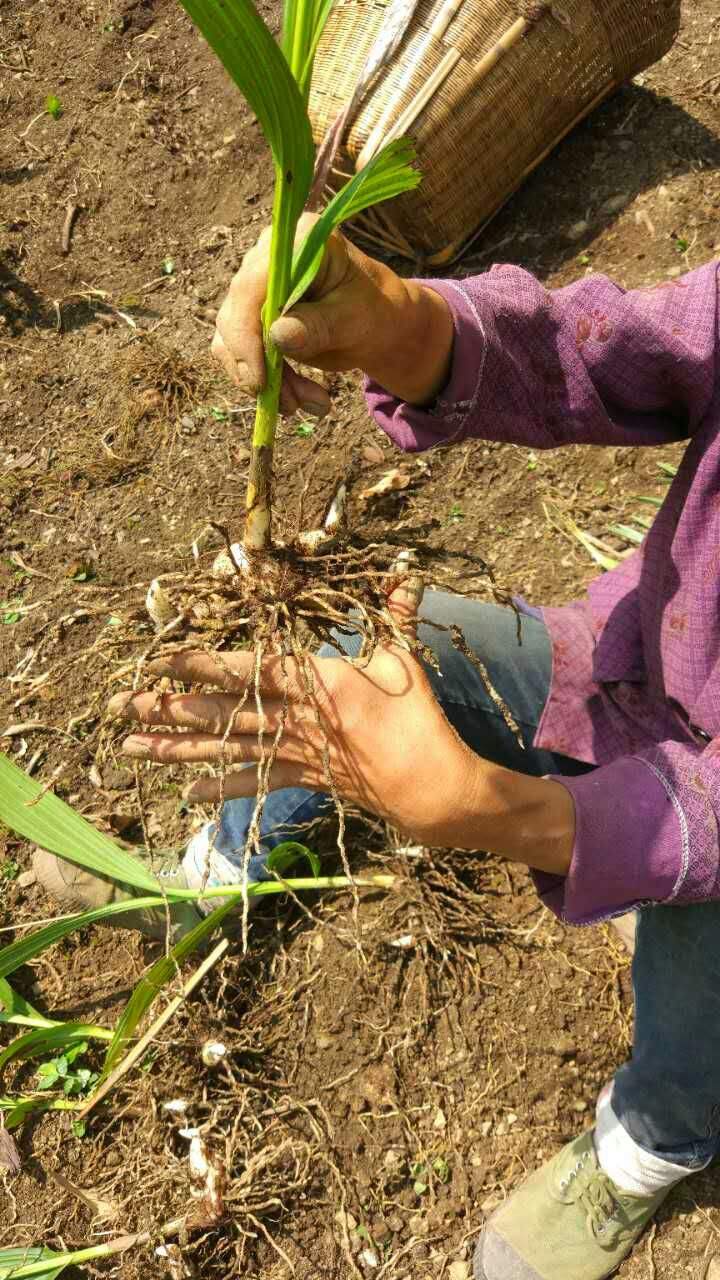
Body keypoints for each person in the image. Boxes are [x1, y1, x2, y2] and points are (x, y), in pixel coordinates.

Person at [34, 221, 720, 1280]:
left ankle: (649, 1142)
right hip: (633, 675)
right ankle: (210, 875)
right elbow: (618, 344)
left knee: (701, 944)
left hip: (710, 835)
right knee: (349, 647)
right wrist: (402, 321)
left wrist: (506, 812)